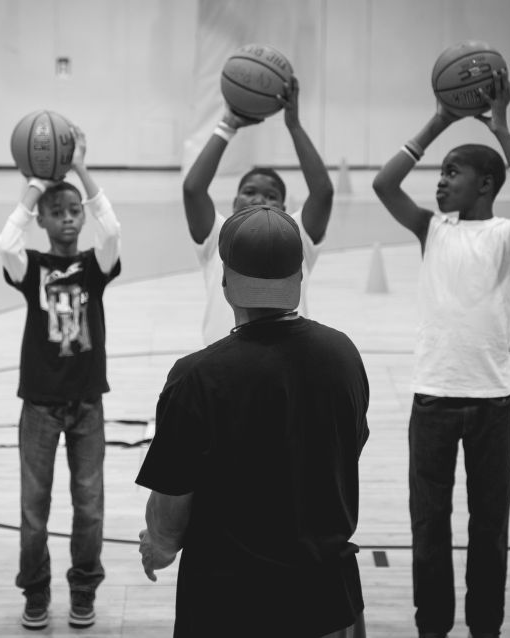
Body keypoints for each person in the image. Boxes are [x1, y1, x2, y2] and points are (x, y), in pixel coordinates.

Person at [371, 70, 510, 638]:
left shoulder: (507, 234)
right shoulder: (433, 229)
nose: (440, 182)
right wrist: (439, 121)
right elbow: (383, 184)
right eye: (441, 172)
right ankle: (433, 628)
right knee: (429, 527)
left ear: (486, 184)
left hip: (492, 402)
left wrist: (502, 130)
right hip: (433, 400)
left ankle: (485, 628)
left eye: (452, 173)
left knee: (489, 529)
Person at [136, 205, 370, 637]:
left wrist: (159, 545)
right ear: (298, 278)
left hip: (228, 605)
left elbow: (168, 522)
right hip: (328, 601)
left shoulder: (196, 377)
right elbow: (343, 454)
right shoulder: (344, 356)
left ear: (225, 280)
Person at [0, 125, 121, 630]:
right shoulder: (33, 268)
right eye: (58, 211)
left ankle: (84, 588)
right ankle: (36, 592)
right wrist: (35, 184)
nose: (69, 218)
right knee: (34, 510)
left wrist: (80, 171)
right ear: (43, 220)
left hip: (88, 402)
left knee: (89, 507)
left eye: (75, 211)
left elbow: (110, 230)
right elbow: (6, 242)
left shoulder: (96, 265)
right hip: (40, 405)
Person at [183, 75, 334, 345]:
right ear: (234, 203)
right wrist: (227, 126)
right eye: (249, 192)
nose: (259, 199)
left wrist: (294, 125)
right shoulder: (218, 233)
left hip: (284, 360)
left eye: (271, 196)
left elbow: (323, 192)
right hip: (222, 362)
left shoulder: (295, 234)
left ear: (285, 209)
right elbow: (193, 190)